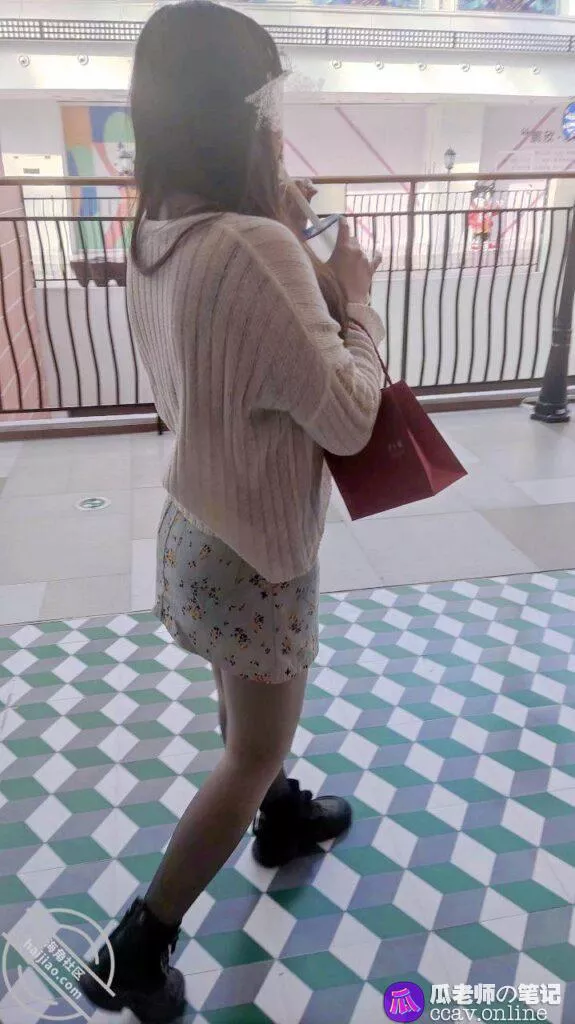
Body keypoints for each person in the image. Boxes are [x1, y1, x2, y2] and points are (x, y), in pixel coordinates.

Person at [80, 3, 383, 1021]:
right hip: (257, 547)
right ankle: (137, 946)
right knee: (249, 746)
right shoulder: (253, 247)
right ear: (241, 110)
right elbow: (348, 417)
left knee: (242, 702)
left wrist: (282, 231)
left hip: (195, 526)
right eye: (270, 95)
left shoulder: (156, 227)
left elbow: (240, 356)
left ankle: (282, 813)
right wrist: (355, 295)